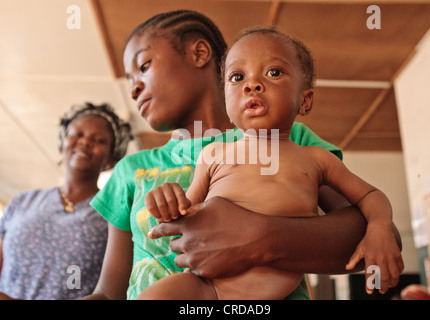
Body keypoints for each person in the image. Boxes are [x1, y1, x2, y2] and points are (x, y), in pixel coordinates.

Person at [86, 10, 402, 300]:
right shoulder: (133, 169)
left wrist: (257, 238)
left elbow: (373, 235)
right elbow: (108, 293)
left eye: (143, 67)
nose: (133, 89)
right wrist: (168, 204)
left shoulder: (296, 144)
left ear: (199, 54)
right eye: (238, 78)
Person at [0, 102, 132, 300]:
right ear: (62, 142)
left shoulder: (114, 213)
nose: (85, 142)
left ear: (111, 157)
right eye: (77, 134)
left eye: (98, 140)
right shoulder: (22, 202)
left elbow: (114, 292)